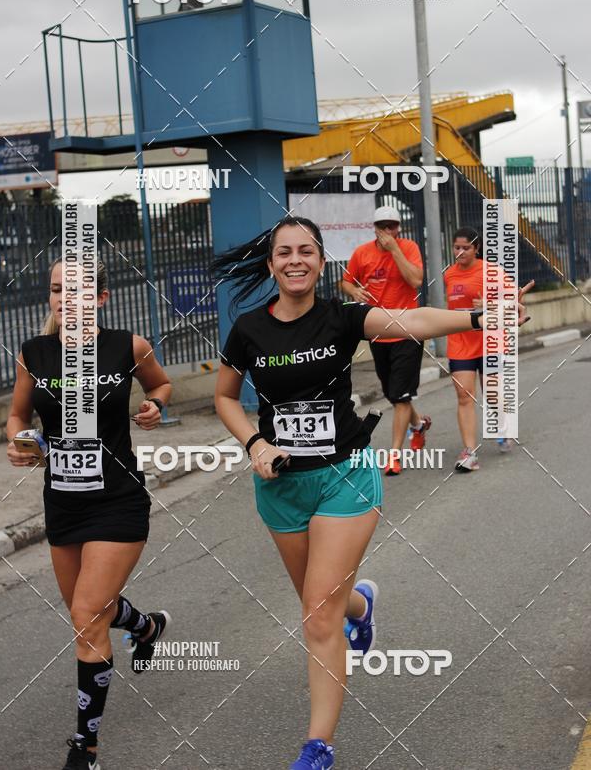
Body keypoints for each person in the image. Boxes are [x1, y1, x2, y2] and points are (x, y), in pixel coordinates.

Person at [212, 216, 530, 769]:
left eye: (306, 251)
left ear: (320, 262)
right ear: (271, 264)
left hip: (345, 476)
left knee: (316, 616)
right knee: (326, 604)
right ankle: (364, 607)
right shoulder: (247, 329)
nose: (295, 260)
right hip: (281, 487)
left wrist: (482, 314)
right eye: (284, 252)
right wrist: (255, 442)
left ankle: (318, 747)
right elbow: (223, 398)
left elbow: (415, 320)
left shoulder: (343, 317)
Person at [6, 258, 173, 770]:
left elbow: (161, 387)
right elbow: (18, 415)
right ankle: (144, 626)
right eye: (58, 290)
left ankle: (86, 749)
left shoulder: (129, 346)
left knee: (85, 615)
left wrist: (155, 407)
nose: (66, 299)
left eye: (78, 291)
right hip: (63, 502)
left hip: (119, 500)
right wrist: (20, 441)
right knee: (89, 613)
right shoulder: (34, 354)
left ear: (100, 298)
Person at [341, 205, 431, 475]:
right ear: (375, 228)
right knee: (394, 394)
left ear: (399, 227)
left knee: (401, 397)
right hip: (378, 331)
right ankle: (418, 425)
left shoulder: (409, 247)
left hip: (407, 329)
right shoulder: (362, 253)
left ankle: (394, 455)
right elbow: (345, 281)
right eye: (383, 226)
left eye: (393, 226)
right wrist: (354, 291)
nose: (388, 231)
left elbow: (415, 280)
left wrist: (394, 250)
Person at [444, 228, 533, 472]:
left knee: (491, 394)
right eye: (456, 247)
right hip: (460, 343)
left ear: (477, 249)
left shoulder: (491, 272)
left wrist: (489, 304)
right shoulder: (449, 274)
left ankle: (504, 427)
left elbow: (514, 298)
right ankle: (469, 452)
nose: (460, 252)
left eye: (466, 248)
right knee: (464, 396)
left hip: (490, 340)